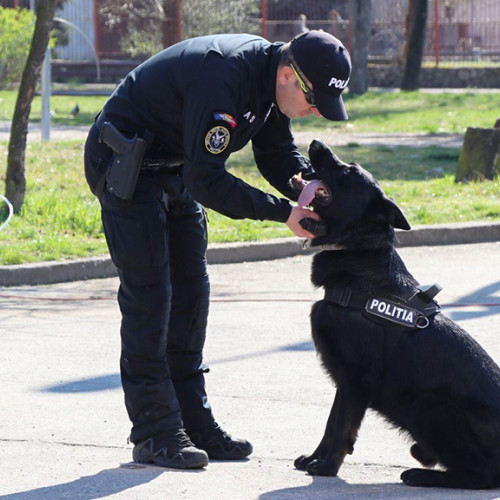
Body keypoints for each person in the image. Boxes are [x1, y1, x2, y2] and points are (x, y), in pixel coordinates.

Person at [84, 29, 351, 470]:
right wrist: (283, 212)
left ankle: (193, 421)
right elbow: (207, 181)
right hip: (124, 164)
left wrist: (304, 185)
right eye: (314, 102)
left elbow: (275, 150)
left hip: (175, 167)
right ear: (289, 74)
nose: (315, 113)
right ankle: (155, 432)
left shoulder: (270, 84)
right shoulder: (226, 77)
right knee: (150, 297)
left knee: (192, 293)